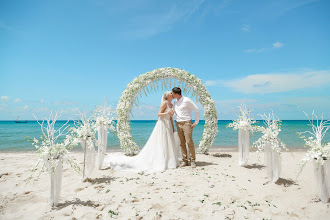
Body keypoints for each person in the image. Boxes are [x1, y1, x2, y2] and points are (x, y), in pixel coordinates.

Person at [104, 91, 181, 173]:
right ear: (167, 96)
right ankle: (161, 160)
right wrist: (167, 112)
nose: (172, 95)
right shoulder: (164, 103)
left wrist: (173, 128)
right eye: (171, 94)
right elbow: (159, 114)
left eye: (173, 94)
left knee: (168, 142)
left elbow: (170, 118)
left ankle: (169, 161)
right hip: (162, 124)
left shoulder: (171, 105)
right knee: (162, 141)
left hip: (168, 125)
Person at [172, 87, 199, 168]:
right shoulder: (175, 103)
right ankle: (185, 161)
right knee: (181, 143)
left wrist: (196, 122)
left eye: (173, 93)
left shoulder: (187, 100)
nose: (172, 95)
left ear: (176, 94)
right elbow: (175, 114)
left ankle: (193, 161)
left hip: (187, 123)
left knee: (189, 142)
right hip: (178, 123)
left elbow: (196, 109)